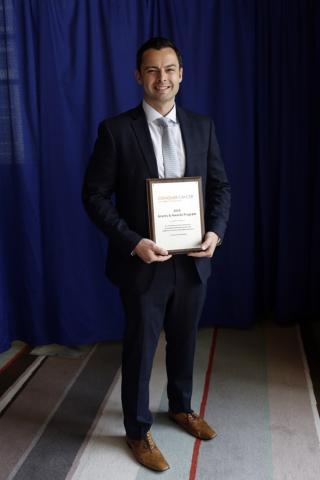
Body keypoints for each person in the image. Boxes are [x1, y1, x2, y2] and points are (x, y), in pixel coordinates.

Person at [82, 37, 231, 472]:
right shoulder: (115, 130)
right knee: (140, 349)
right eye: (151, 70)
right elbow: (93, 196)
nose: (161, 78)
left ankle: (181, 407)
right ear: (138, 76)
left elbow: (221, 187)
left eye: (169, 70)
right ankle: (136, 429)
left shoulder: (202, 126)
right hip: (143, 262)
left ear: (181, 75)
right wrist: (133, 241)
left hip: (193, 259)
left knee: (184, 341)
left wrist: (216, 233)